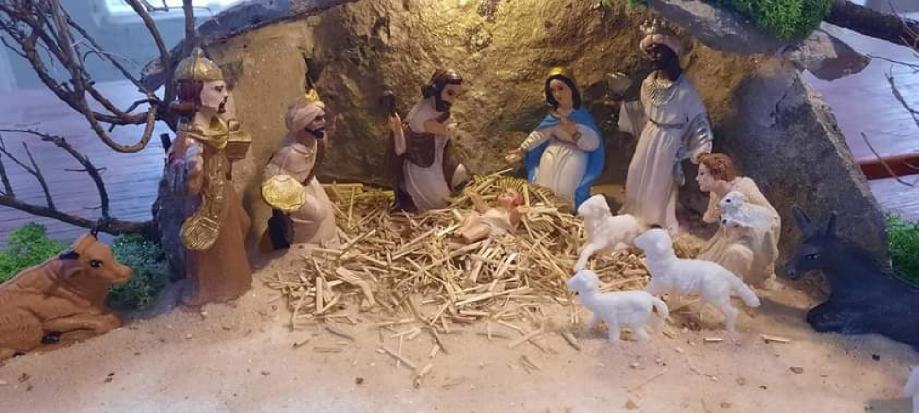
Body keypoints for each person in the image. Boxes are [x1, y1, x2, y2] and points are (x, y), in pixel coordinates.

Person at [165, 48, 252, 305]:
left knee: (241, 228)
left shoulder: (217, 126)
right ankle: (212, 292)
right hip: (203, 204)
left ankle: (234, 284)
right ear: (194, 93)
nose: (225, 95)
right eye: (217, 89)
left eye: (224, 88)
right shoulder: (188, 137)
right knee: (215, 250)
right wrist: (190, 169)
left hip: (224, 193)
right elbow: (178, 177)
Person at [617, 19, 713, 233]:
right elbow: (642, 110)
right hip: (649, 136)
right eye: (650, 51)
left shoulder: (686, 91)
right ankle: (635, 212)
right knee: (637, 172)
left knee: (660, 181)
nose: (652, 56)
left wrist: (702, 150)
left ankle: (656, 219)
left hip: (670, 141)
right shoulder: (648, 83)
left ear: (672, 53)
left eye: (658, 51)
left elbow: (698, 122)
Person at [507, 67, 604, 208]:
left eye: (561, 88)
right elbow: (540, 134)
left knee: (566, 183)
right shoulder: (554, 116)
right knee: (545, 180)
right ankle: (542, 205)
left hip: (575, 154)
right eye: (553, 90)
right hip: (552, 152)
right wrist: (522, 149)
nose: (557, 94)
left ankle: (566, 208)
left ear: (571, 88)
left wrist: (575, 133)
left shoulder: (582, 117)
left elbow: (593, 144)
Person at [261, 88, 340, 248]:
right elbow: (270, 178)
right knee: (318, 213)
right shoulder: (289, 153)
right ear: (304, 123)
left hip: (306, 182)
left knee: (326, 212)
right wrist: (286, 200)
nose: (323, 122)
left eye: (322, 117)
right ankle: (298, 241)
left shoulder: (317, 141)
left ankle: (319, 240)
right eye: (317, 119)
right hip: (290, 190)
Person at [387, 69, 470, 212]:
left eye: (455, 95)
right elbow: (442, 130)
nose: (452, 100)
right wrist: (450, 128)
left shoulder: (439, 111)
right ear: (437, 90)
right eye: (450, 93)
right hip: (423, 163)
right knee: (438, 195)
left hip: (439, 153)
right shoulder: (421, 115)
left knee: (458, 173)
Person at [695, 153, 781, 289]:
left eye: (702, 174)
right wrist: (717, 213)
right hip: (725, 240)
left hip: (749, 243)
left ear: (717, 174)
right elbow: (709, 216)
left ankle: (739, 285)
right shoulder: (715, 193)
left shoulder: (745, 187)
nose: (697, 178)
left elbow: (772, 217)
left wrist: (744, 216)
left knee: (735, 254)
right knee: (701, 272)